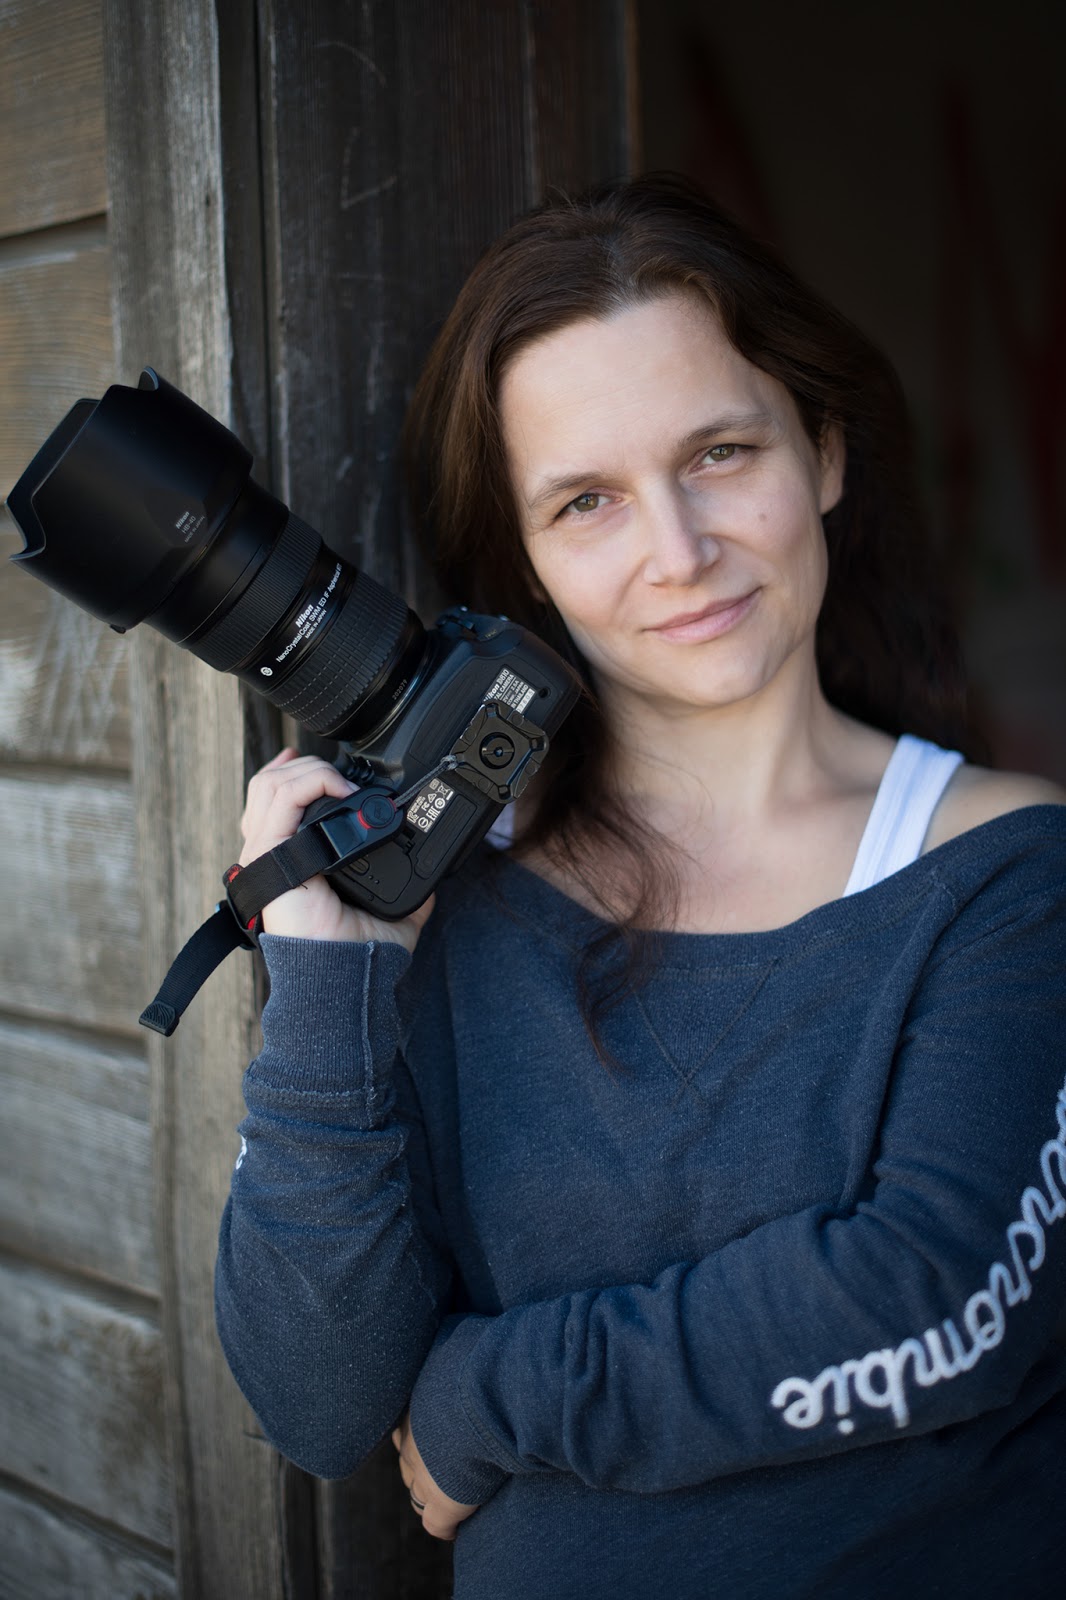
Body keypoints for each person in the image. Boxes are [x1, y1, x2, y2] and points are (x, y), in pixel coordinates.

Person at [215, 176, 1066, 1598]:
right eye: (587, 501)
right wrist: (322, 992)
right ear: (528, 564)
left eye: (719, 452)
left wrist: (489, 1398)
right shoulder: (447, 902)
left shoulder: (1003, 869)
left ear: (823, 453)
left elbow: (939, 1306)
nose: (678, 554)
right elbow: (317, 1408)